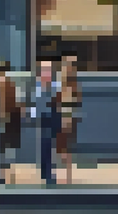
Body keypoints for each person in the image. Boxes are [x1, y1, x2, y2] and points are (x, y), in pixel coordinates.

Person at [31, 60, 60, 186]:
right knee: (45, 144)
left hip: (52, 118)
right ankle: (46, 172)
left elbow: (59, 102)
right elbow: (34, 103)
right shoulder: (38, 86)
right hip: (43, 118)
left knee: (49, 145)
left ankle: (47, 171)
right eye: (44, 70)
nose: (46, 73)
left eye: (48, 70)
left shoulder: (55, 86)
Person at [0, 61, 20, 184]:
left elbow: (3, 105)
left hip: (4, 119)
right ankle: (9, 171)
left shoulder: (1, 85)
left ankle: (3, 172)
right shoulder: (11, 84)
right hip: (11, 120)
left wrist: (2, 116)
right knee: (8, 147)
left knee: (2, 146)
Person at [58, 55, 81, 184]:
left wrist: (66, 118)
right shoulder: (67, 85)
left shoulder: (70, 86)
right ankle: (67, 175)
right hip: (66, 117)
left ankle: (67, 175)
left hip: (67, 118)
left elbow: (69, 104)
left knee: (65, 148)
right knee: (64, 149)